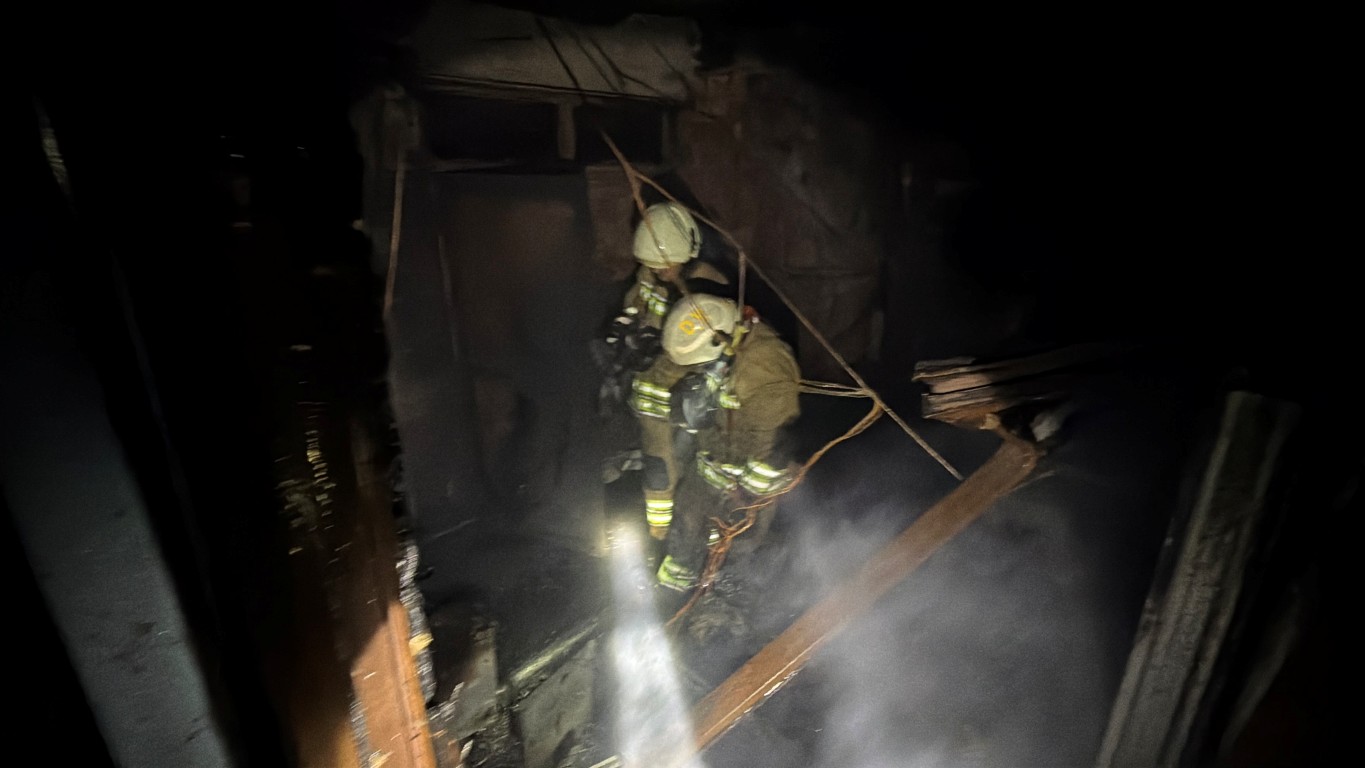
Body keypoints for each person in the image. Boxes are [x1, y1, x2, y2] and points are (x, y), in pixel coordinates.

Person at [593, 201, 734, 545]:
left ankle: (701, 530)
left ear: (686, 254)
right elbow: (635, 305)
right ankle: (660, 530)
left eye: (666, 266)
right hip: (652, 390)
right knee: (657, 462)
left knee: (693, 465)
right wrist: (628, 329)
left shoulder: (707, 284)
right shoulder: (648, 276)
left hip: (690, 392)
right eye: (653, 266)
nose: (660, 272)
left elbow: (713, 347)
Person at [651, 293, 802, 593]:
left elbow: (772, 443)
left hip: (747, 489)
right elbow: (671, 370)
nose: (696, 372)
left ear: (720, 346)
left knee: (736, 550)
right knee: (684, 533)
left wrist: (746, 498)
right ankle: (674, 595)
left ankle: (727, 602)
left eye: (700, 365)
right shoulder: (710, 347)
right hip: (708, 471)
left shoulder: (764, 366)